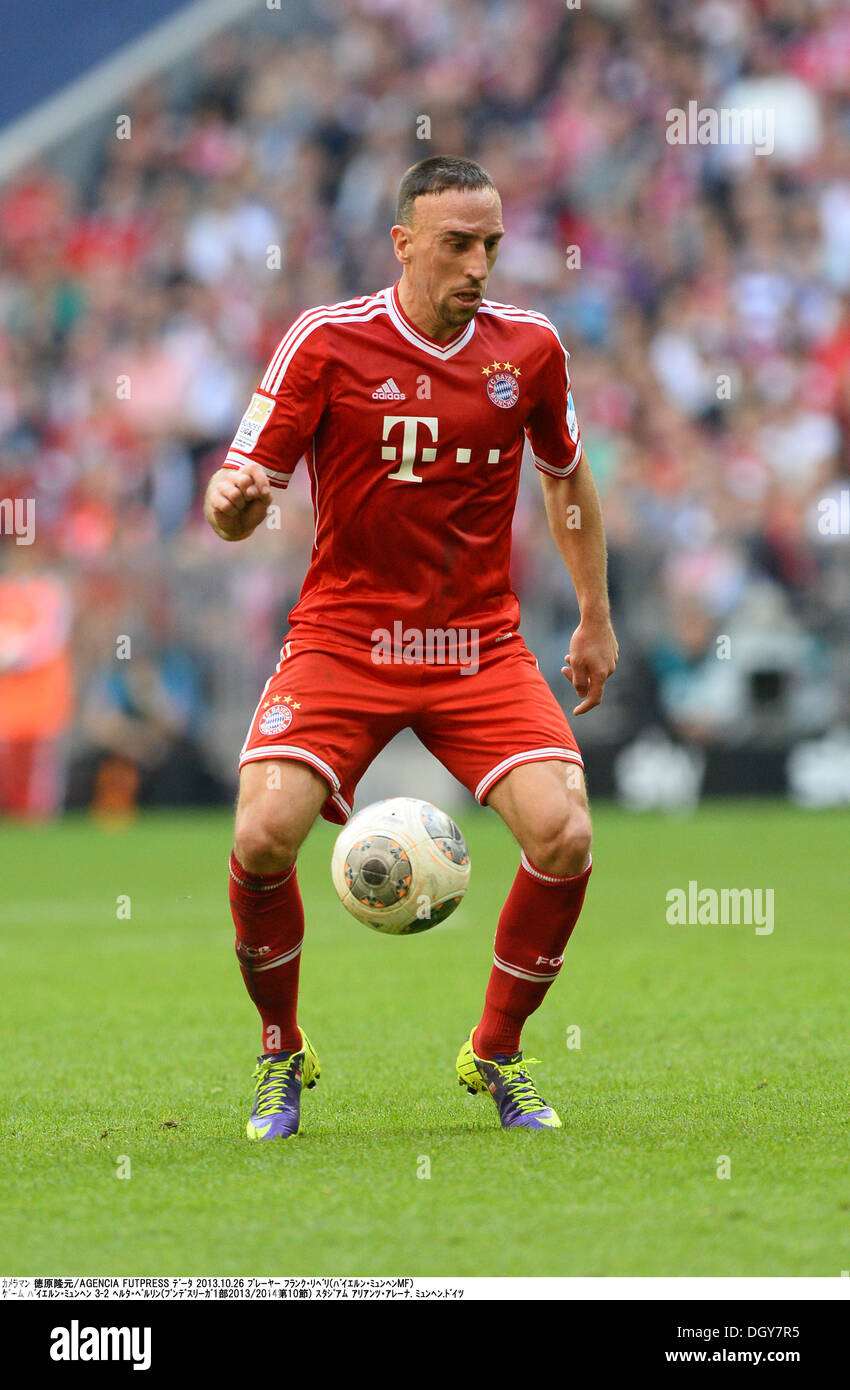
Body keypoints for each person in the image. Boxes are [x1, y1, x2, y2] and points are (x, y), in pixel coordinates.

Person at [203, 156, 618, 1137]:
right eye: (456, 244)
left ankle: (498, 1051)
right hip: (345, 638)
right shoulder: (325, 341)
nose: (478, 264)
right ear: (402, 244)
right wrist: (232, 508)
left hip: (476, 643)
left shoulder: (531, 349)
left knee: (563, 835)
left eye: (492, 245)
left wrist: (594, 614)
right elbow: (239, 488)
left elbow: (564, 477)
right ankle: (280, 1051)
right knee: (261, 836)